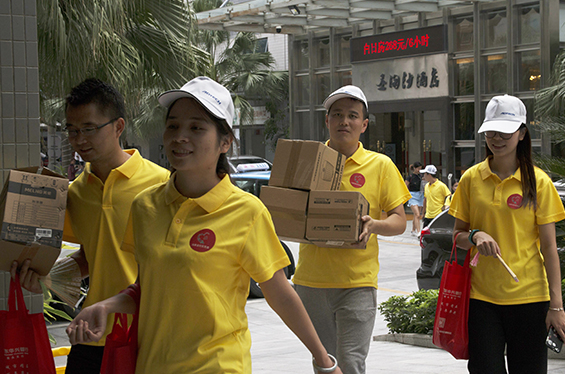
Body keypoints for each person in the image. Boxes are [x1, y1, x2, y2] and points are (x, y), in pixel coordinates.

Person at [65, 76, 342, 374]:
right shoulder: (145, 206)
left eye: (196, 128)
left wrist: (323, 360)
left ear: (225, 142)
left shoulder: (246, 211)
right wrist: (107, 306)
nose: (180, 136)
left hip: (218, 365)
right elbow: (149, 288)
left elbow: (280, 294)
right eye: (173, 126)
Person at [12, 78, 171, 373]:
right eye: (72, 130)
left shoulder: (163, 184)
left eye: (89, 129)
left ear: (118, 126)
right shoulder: (73, 193)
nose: (79, 139)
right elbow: (92, 255)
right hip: (90, 332)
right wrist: (43, 275)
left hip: (147, 334)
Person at [448, 94, 565, 374]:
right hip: (481, 299)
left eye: (505, 132)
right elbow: (457, 237)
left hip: (530, 298)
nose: (497, 138)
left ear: (522, 133)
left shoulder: (539, 182)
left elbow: (550, 249)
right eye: (490, 132)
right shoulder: (470, 179)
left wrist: (557, 306)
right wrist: (476, 236)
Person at [293, 85, 411, 374]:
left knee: (350, 361)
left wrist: (375, 224)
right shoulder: (309, 160)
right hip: (311, 282)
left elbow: (399, 220)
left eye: (352, 115)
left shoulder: (380, 165)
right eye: (337, 115)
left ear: (364, 124)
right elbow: (288, 210)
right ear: (327, 121)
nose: (344, 121)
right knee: (324, 363)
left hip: (357, 281)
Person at [406, 161, 424, 237]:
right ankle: (418, 231)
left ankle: (413, 230)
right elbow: (405, 186)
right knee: (417, 214)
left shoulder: (421, 176)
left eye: (420, 168)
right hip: (412, 195)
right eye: (418, 168)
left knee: (416, 215)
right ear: (414, 168)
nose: (419, 170)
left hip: (420, 195)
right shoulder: (410, 177)